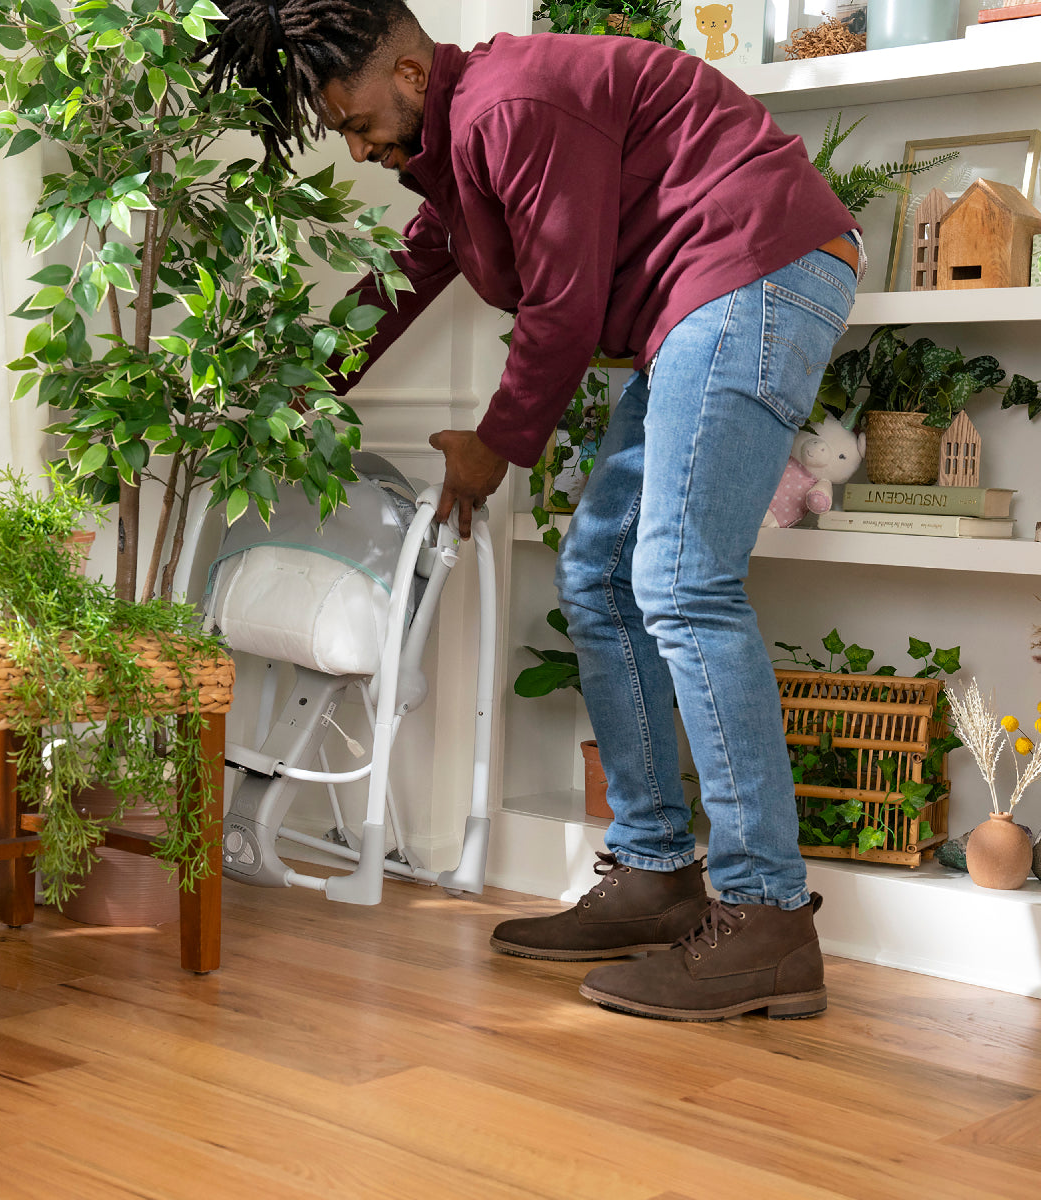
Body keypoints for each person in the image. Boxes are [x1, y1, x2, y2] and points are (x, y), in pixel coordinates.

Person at [204, 1, 862, 1022]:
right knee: (600, 578)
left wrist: (494, 446)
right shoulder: (462, 147)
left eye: (353, 118)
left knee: (683, 588)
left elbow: (561, 303)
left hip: (756, 270)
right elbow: (411, 272)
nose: (355, 143)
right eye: (336, 128)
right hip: (701, 302)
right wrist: (307, 388)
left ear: (413, 73)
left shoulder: (513, 105)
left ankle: (769, 919)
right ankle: (652, 875)